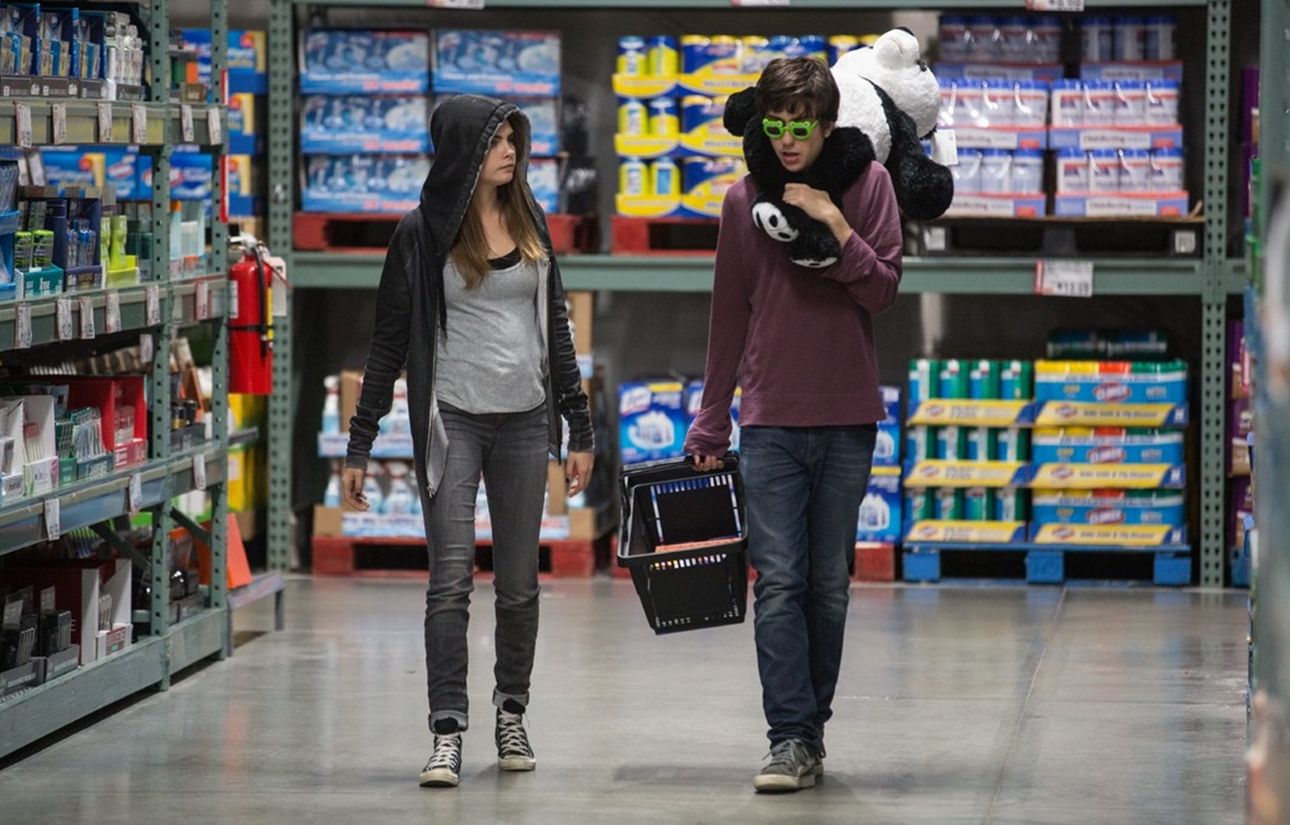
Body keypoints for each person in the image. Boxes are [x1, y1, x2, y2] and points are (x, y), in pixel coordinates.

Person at [342, 94, 594, 789]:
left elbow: (558, 333)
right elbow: (388, 344)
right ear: (462, 152)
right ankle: (446, 729)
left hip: (524, 422)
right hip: (451, 421)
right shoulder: (420, 234)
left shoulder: (532, 220)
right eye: (495, 142)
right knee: (449, 582)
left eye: (513, 139)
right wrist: (360, 444)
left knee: (518, 585)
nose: (510, 151)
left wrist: (580, 424)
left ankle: (511, 711)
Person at [684, 57, 902, 793]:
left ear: (827, 124)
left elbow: (881, 289)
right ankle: (789, 737)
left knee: (828, 585)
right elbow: (726, 314)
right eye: (773, 127)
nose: (786, 141)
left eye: (799, 127)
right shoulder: (744, 200)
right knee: (779, 583)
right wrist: (711, 423)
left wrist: (834, 224)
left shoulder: (870, 187)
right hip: (770, 421)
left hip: (848, 420)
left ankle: (811, 728)